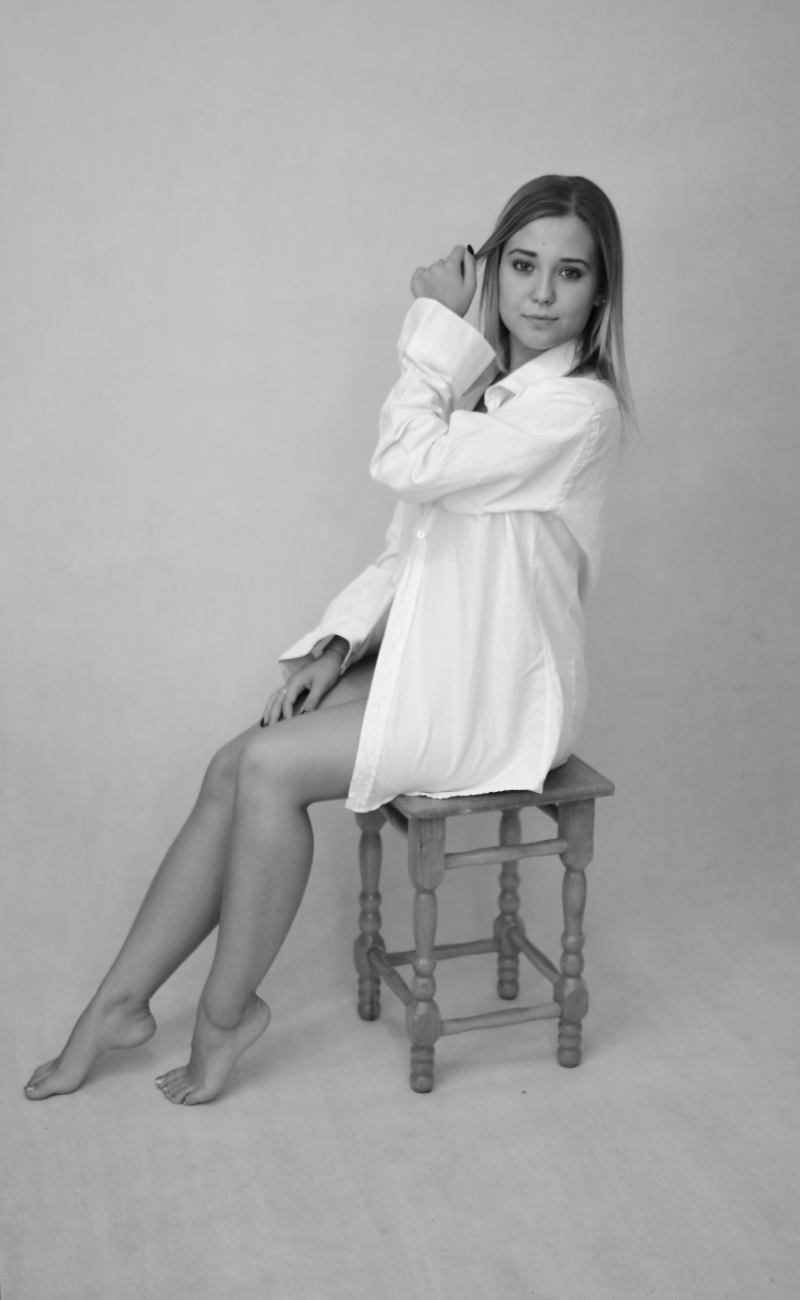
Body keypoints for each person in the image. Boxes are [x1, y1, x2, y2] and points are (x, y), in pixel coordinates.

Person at [24, 174, 631, 1106]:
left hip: (501, 697)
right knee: (234, 764)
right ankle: (118, 1004)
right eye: (521, 265)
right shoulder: (487, 398)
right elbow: (412, 546)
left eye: (570, 273)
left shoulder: (574, 411)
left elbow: (405, 462)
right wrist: (339, 646)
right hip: (439, 660)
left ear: (598, 293)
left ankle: (226, 1015)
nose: (541, 293)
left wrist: (435, 327)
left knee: (271, 773)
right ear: (495, 271)